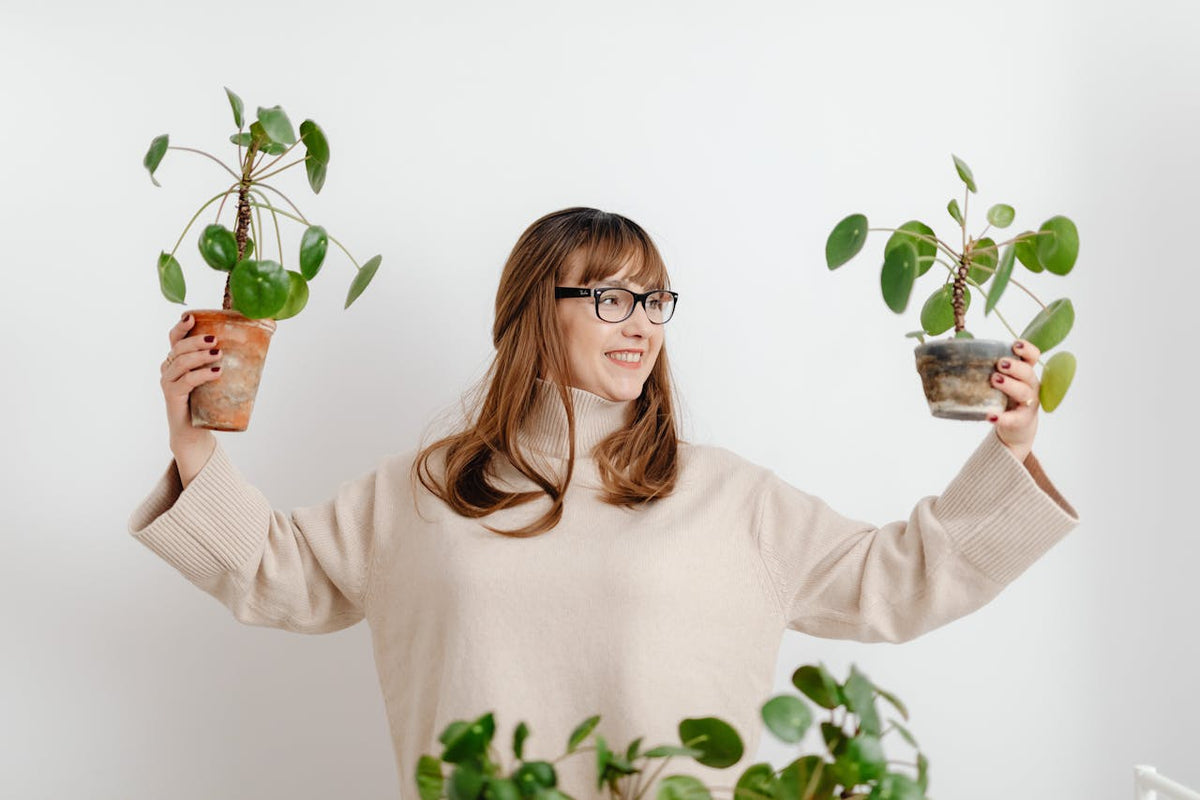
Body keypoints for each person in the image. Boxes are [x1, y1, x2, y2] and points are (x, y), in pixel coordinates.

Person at [129, 207, 1080, 799]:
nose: (643, 326)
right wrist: (193, 438)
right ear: (538, 309)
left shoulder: (727, 496)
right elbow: (277, 573)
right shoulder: (426, 489)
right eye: (612, 299)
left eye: (656, 301)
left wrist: (1013, 447)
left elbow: (901, 578)